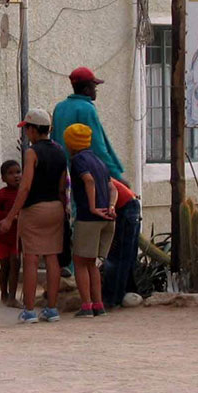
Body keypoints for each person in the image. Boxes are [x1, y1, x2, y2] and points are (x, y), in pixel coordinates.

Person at [0, 108, 68, 324]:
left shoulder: (31, 152)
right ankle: (52, 308)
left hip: (34, 209)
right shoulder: (60, 151)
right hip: (56, 207)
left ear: (34, 130)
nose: (26, 133)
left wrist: (10, 216)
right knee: (53, 256)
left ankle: (29, 310)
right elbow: (62, 186)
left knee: (31, 258)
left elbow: (25, 186)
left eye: (27, 128)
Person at [64, 124, 117, 318]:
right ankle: (98, 304)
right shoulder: (99, 161)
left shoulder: (78, 160)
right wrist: (111, 207)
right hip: (107, 218)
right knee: (92, 264)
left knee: (80, 262)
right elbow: (113, 187)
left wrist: (93, 207)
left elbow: (88, 180)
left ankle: (86, 305)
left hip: (89, 218)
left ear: (71, 143)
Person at [51, 67, 126, 184]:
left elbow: (54, 141)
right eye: (94, 87)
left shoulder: (59, 107)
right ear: (86, 90)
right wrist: (116, 175)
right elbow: (98, 147)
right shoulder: (87, 109)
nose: (96, 91)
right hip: (84, 175)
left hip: (63, 175)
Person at [101, 178, 142, 309]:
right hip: (130, 204)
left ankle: (112, 298)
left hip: (124, 208)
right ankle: (128, 292)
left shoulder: (90, 175)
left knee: (117, 255)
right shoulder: (102, 173)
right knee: (127, 255)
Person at [0, 159, 22, 306]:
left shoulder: (24, 193)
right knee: (5, 265)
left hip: (16, 236)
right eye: (10, 173)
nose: (16, 176)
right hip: (0, 237)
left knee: (15, 263)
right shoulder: (1, 194)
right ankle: (4, 293)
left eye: (18, 172)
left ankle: (12, 297)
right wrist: (10, 217)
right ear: (3, 178)